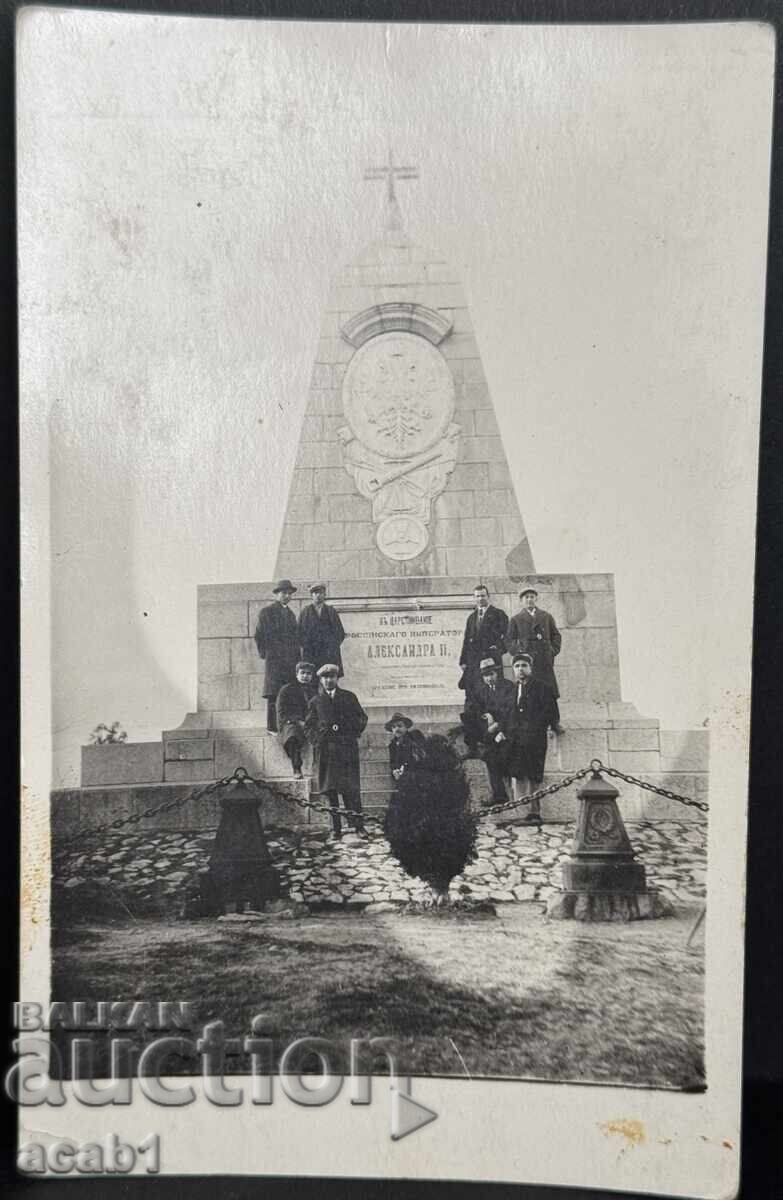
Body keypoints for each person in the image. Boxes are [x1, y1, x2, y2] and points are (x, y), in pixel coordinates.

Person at [304, 664, 368, 839]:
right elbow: (309, 726)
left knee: (351, 789)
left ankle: (358, 827)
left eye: (331, 676)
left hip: (347, 749)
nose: (328, 680)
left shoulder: (348, 697)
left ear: (337, 678)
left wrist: (350, 731)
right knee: (330, 790)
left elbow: (361, 718)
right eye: (325, 677)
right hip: (327, 752)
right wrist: (318, 739)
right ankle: (335, 829)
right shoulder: (315, 702)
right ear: (321, 680)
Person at [498, 653, 559, 825]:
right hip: (515, 740)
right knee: (517, 775)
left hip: (534, 739)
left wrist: (537, 727)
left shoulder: (542, 688)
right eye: (517, 666)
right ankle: (521, 812)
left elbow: (550, 712)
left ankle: (534, 813)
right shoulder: (511, 690)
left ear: (530, 668)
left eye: (524, 665)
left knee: (533, 775)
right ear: (513, 670)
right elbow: (505, 714)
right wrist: (504, 731)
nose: (520, 670)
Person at [506, 584, 565, 734]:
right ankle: (528, 722)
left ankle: (554, 722)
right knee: (527, 690)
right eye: (526, 597)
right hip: (527, 662)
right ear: (521, 600)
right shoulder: (516, 619)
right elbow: (508, 641)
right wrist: (519, 651)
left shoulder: (546, 616)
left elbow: (556, 636)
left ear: (536, 598)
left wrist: (552, 651)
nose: (529, 600)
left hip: (544, 661)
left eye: (532, 597)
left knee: (549, 691)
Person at [458, 584, 509, 730]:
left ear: (488, 596)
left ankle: (496, 727)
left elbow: (508, 636)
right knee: (474, 694)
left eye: (483, 595)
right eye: (477, 596)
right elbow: (466, 639)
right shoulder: (472, 617)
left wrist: (498, 650)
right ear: (474, 598)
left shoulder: (499, 614)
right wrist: (463, 660)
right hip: (473, 663)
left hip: (491, 662)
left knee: (493, 692)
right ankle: (474, 732)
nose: (480, 599)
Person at [253, 580, 300, 732]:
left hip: (290, 662)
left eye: (289, 594)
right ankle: (272, 727)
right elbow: (259, 635)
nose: (287, 596)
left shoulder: (291, 615)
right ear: (277, 594)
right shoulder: (267, 612)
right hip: (275, 661)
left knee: (288, 693)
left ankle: (285, 726)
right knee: (273, 694)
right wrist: (266, 654)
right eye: (283, 593)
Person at [471, 656, 516, 806]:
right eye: (485, 675)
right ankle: (499, 795)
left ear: (497, 673)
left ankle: (515, 796)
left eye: (491, 674)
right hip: (492, 734)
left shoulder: (508, 687)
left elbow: (511, 711)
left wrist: (499, 726)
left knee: (507, 757)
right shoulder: (482, 691)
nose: (489, 678)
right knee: (489, 757)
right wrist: (487, 715)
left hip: (510, 730)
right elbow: (477, 709)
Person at [275, 661, 316, 778]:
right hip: (291, 723)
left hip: (309, 723)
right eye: (302, 673)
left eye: (308, 674)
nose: (305, 676)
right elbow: (281, 711)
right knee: (292, 736)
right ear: (297, 674)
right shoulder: (286, 690)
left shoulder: (314, 692)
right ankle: (297, 768)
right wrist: (297, 721)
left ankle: (318, 768)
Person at [298, 584, 346, 675]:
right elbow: (298, 633)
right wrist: (307, 645)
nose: (318, 595)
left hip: (328, 654)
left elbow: (340, 633)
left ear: (325, 595)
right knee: (311, 681)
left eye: (320, 593)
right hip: (311, 654)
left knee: (329, 679)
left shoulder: (331, 611)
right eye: (315, 593)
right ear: (311, 595)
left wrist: (331, 646)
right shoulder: (305, 612)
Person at [385, 712, 426, 793]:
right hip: (402, 776)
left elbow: (420, 756)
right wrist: (395, 771)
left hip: (416, 772)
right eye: (394, 727)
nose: (397, 729)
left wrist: (405, 767)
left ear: (406, 727)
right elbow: (392, 762)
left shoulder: (414, 737)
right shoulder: (392, 745)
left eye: (400, 726)